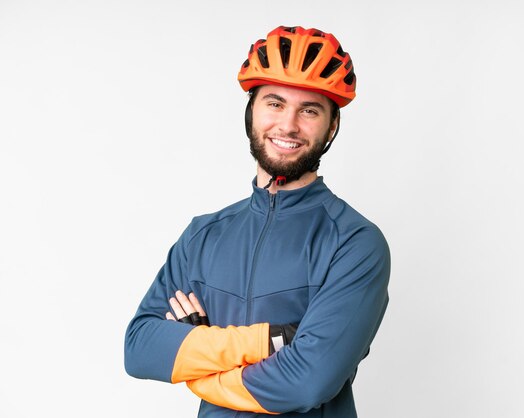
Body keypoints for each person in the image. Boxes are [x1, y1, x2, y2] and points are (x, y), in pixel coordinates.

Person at [124, 25, 390, 418]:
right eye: (275, 103)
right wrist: (269, 340)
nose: (288, 125)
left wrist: (199, 364)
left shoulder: (354, 243)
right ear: (252, 111)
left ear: (331, 126)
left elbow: (306, 382)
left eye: (310, 110)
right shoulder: (203, 235)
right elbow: (140, 348)